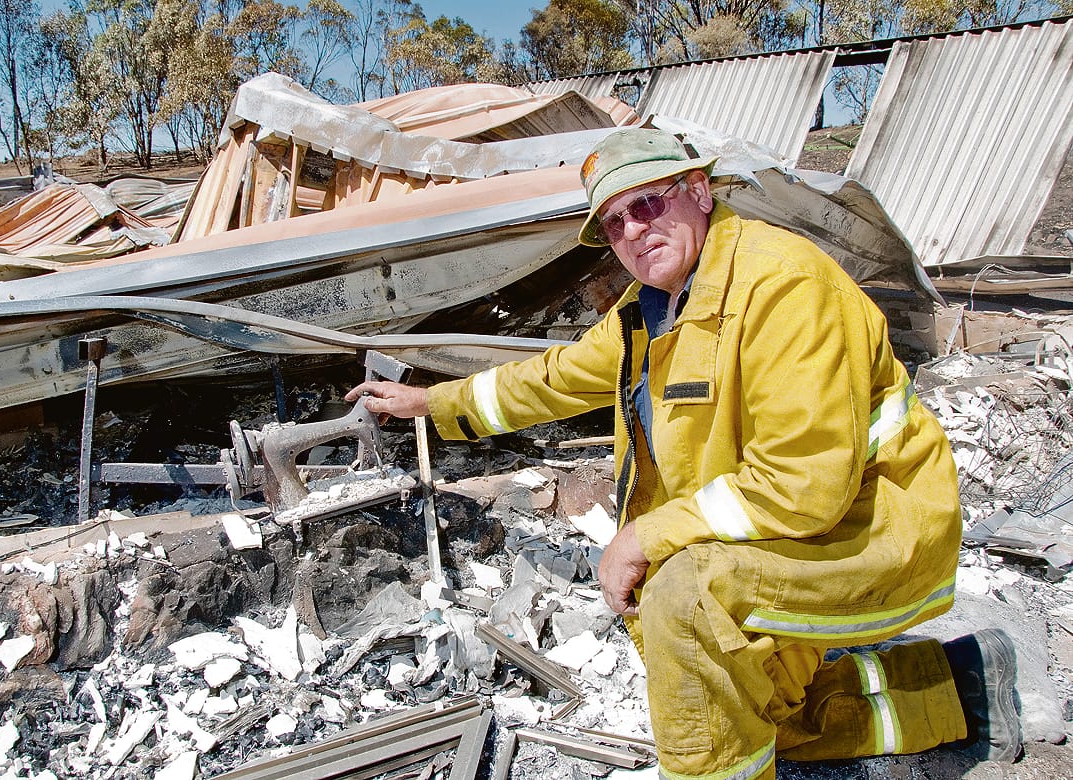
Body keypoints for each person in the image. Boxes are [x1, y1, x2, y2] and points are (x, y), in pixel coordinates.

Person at [346, 128, 1021, 779]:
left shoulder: (783, 287)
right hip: (780, 528)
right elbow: (556, 377)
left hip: (865, 530)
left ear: (699, 191)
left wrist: (647, 533)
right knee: (735, 708)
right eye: (613, 224)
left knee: (683, 596)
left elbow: (803, 484)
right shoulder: (655, 307)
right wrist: (432, 405)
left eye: (646, 203)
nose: (633, 231)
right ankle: (961, 688)